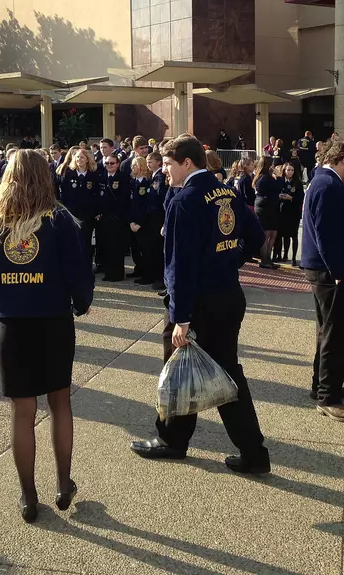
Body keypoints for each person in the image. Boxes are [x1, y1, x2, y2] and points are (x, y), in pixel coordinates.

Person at [0, 150, 92, 523]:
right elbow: (79, 270)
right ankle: (64, 483)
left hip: (13, 324)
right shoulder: (59, 219)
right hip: (54, 321)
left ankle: (29, 496)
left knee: (22, 409)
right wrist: (80, 303)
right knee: (59, 401)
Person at [130, 134, 269, 474]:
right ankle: (252, 451)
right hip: (227, 295)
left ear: (187, 163)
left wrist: (181, 317)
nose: (163, 170)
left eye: (167, 164)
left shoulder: (186, 200)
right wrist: (226, 263)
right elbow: (254, 237)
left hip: (199, 303)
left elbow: (179, 266)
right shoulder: (227, 191)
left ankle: (172, 440)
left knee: (179, 368)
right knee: (227, 373)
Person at [301, 139, 344, 422]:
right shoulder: (327, 186)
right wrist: (339, 271)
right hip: (330, 272)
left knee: (328, 330)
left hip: (327, 270)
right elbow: (326, 235)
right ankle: (329, 396)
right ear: (342, 160)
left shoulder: (326, 183)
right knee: (336, 333)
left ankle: (324, 384)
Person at [56, 147, 100, 266]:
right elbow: (63, 195)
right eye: (77, 157)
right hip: (71, 214)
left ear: (87, 159)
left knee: (86, 241)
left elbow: (96, 195)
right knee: (72, 240)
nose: (79, 159)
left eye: (82, 157)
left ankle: (87, 264)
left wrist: (95, 211)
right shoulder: (68, 174)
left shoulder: (94, 175)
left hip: (88, 215)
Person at [97, 152, 129, 282]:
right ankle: (108, 272)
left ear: (117, 164)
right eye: (107, 163)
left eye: (112, 163)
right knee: (106, 245)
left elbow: (125, 198)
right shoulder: (101, 177)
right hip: (104, 217)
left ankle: (117, 274)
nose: (109, 165)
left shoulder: (123, 177)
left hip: (117, 217)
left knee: (116, 246)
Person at [139, 151, 167, 288]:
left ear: (158, 162)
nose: (148, 164)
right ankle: (151, 275)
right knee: (152, 248)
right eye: (147, 162)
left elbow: (159, 198)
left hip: (158, 218)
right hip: (151, 218)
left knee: (157, 249)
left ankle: (160, 278)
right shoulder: (153, 177)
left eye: (150, 162)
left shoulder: (160, 177)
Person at [252, 156, 281, 269]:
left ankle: (268, 258)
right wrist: (278, 177)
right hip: (265, 206)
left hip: (269, 206)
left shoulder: (262, 177)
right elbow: (277, 187)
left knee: (273, 233)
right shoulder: (264, 178)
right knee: (266, 234)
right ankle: (265, 259)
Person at [276, 162, 304, 265]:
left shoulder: (298, 183)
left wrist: (291, 198)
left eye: (292, 170)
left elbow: (301, 197)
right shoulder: (280, 181)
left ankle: (293, 258)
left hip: (294, 212)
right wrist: (279, 196)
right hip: (282, 211)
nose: (290, 172)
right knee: (284, 235)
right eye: (288, 170)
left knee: (294, 235)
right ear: (284, 170)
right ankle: (284, 255)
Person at [127, 156, 150, 280]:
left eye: (135, 165)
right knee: (134, 248)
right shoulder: (132, 182)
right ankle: (138, 268)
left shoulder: (147, 183)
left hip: (142, 223)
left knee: (144, 250)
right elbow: (129, 204)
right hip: (132, 220)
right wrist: (131, 221)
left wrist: (140, 223)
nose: (132, 168)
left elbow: (146, 205)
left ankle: (146, 273)